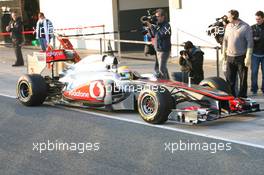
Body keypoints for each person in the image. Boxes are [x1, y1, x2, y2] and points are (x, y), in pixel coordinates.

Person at [222, 10, 253, 98]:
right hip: (229, 57)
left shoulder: (245, 27)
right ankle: (231, 97)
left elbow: (250, 42)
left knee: (243, 79)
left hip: (241, 57)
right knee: (230, 79)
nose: (227, 18)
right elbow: (225, 40)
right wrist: (223, 54)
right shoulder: (228, 26)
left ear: (234, 16)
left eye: (229, 17)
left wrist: (248, 56)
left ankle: (242, 97)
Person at [146, 9, 171, 79]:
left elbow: (159, 35)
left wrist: (151, 27)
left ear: (163, 17)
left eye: (158, 16)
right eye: (156, 16)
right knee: (163, 67)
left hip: (164, 49)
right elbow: (152, 35)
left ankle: (164, 84)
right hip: (158, 49)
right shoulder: (158, 25)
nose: (156, 18)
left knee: (161, 68)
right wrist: (149, 28)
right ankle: (168, 81)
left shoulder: (167, 25)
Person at [251, 11, 264, 95]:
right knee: (254, 72)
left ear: (263, 18)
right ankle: (254, 89)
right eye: (256, 19)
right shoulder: (252, 27)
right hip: (255, 54)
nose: (257, 20)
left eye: (259, 19)